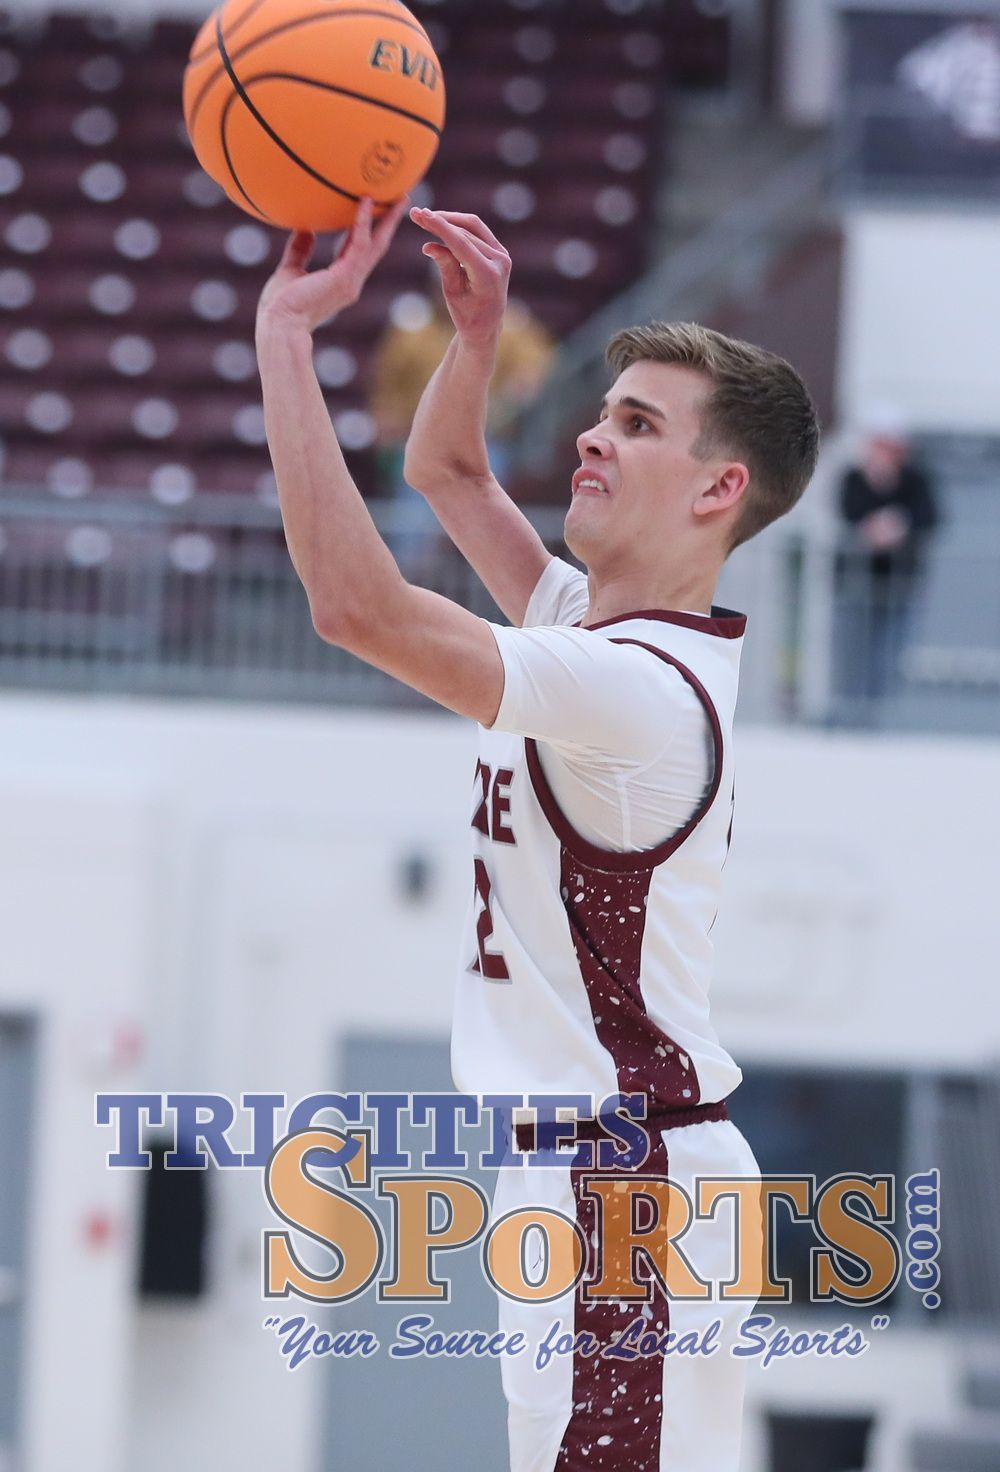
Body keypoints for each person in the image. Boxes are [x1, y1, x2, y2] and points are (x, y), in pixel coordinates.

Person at [255, 198, 820, 1472]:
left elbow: (354, 605)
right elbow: (448, 475)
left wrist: (285, 342)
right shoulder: (593, 628)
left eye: (638, 423)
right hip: (596, 1175)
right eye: (603, 411)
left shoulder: (630, 690)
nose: (591, 434)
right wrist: (476, 340)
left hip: (626, 1183)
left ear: (720, 488)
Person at [370, 275, 553, 565]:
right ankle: (413, 571)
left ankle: (483, 566)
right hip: (422, 439)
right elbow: (387, 390)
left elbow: (535, 368)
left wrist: (511, 397)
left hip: (487, 439)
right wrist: (389, 423)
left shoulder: (510, 327)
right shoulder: (411, 331)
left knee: (485, 495)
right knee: (415, 507)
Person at [837, 412, 938, 709]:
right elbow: (849, 511)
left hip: (900, 585)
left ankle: (882, 712)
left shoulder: (915, 480)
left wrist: (899, 524)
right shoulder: (854, 477)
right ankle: (850, 711)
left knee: (891, 655)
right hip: (854, 583)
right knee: (851, 650)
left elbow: (929, 516)